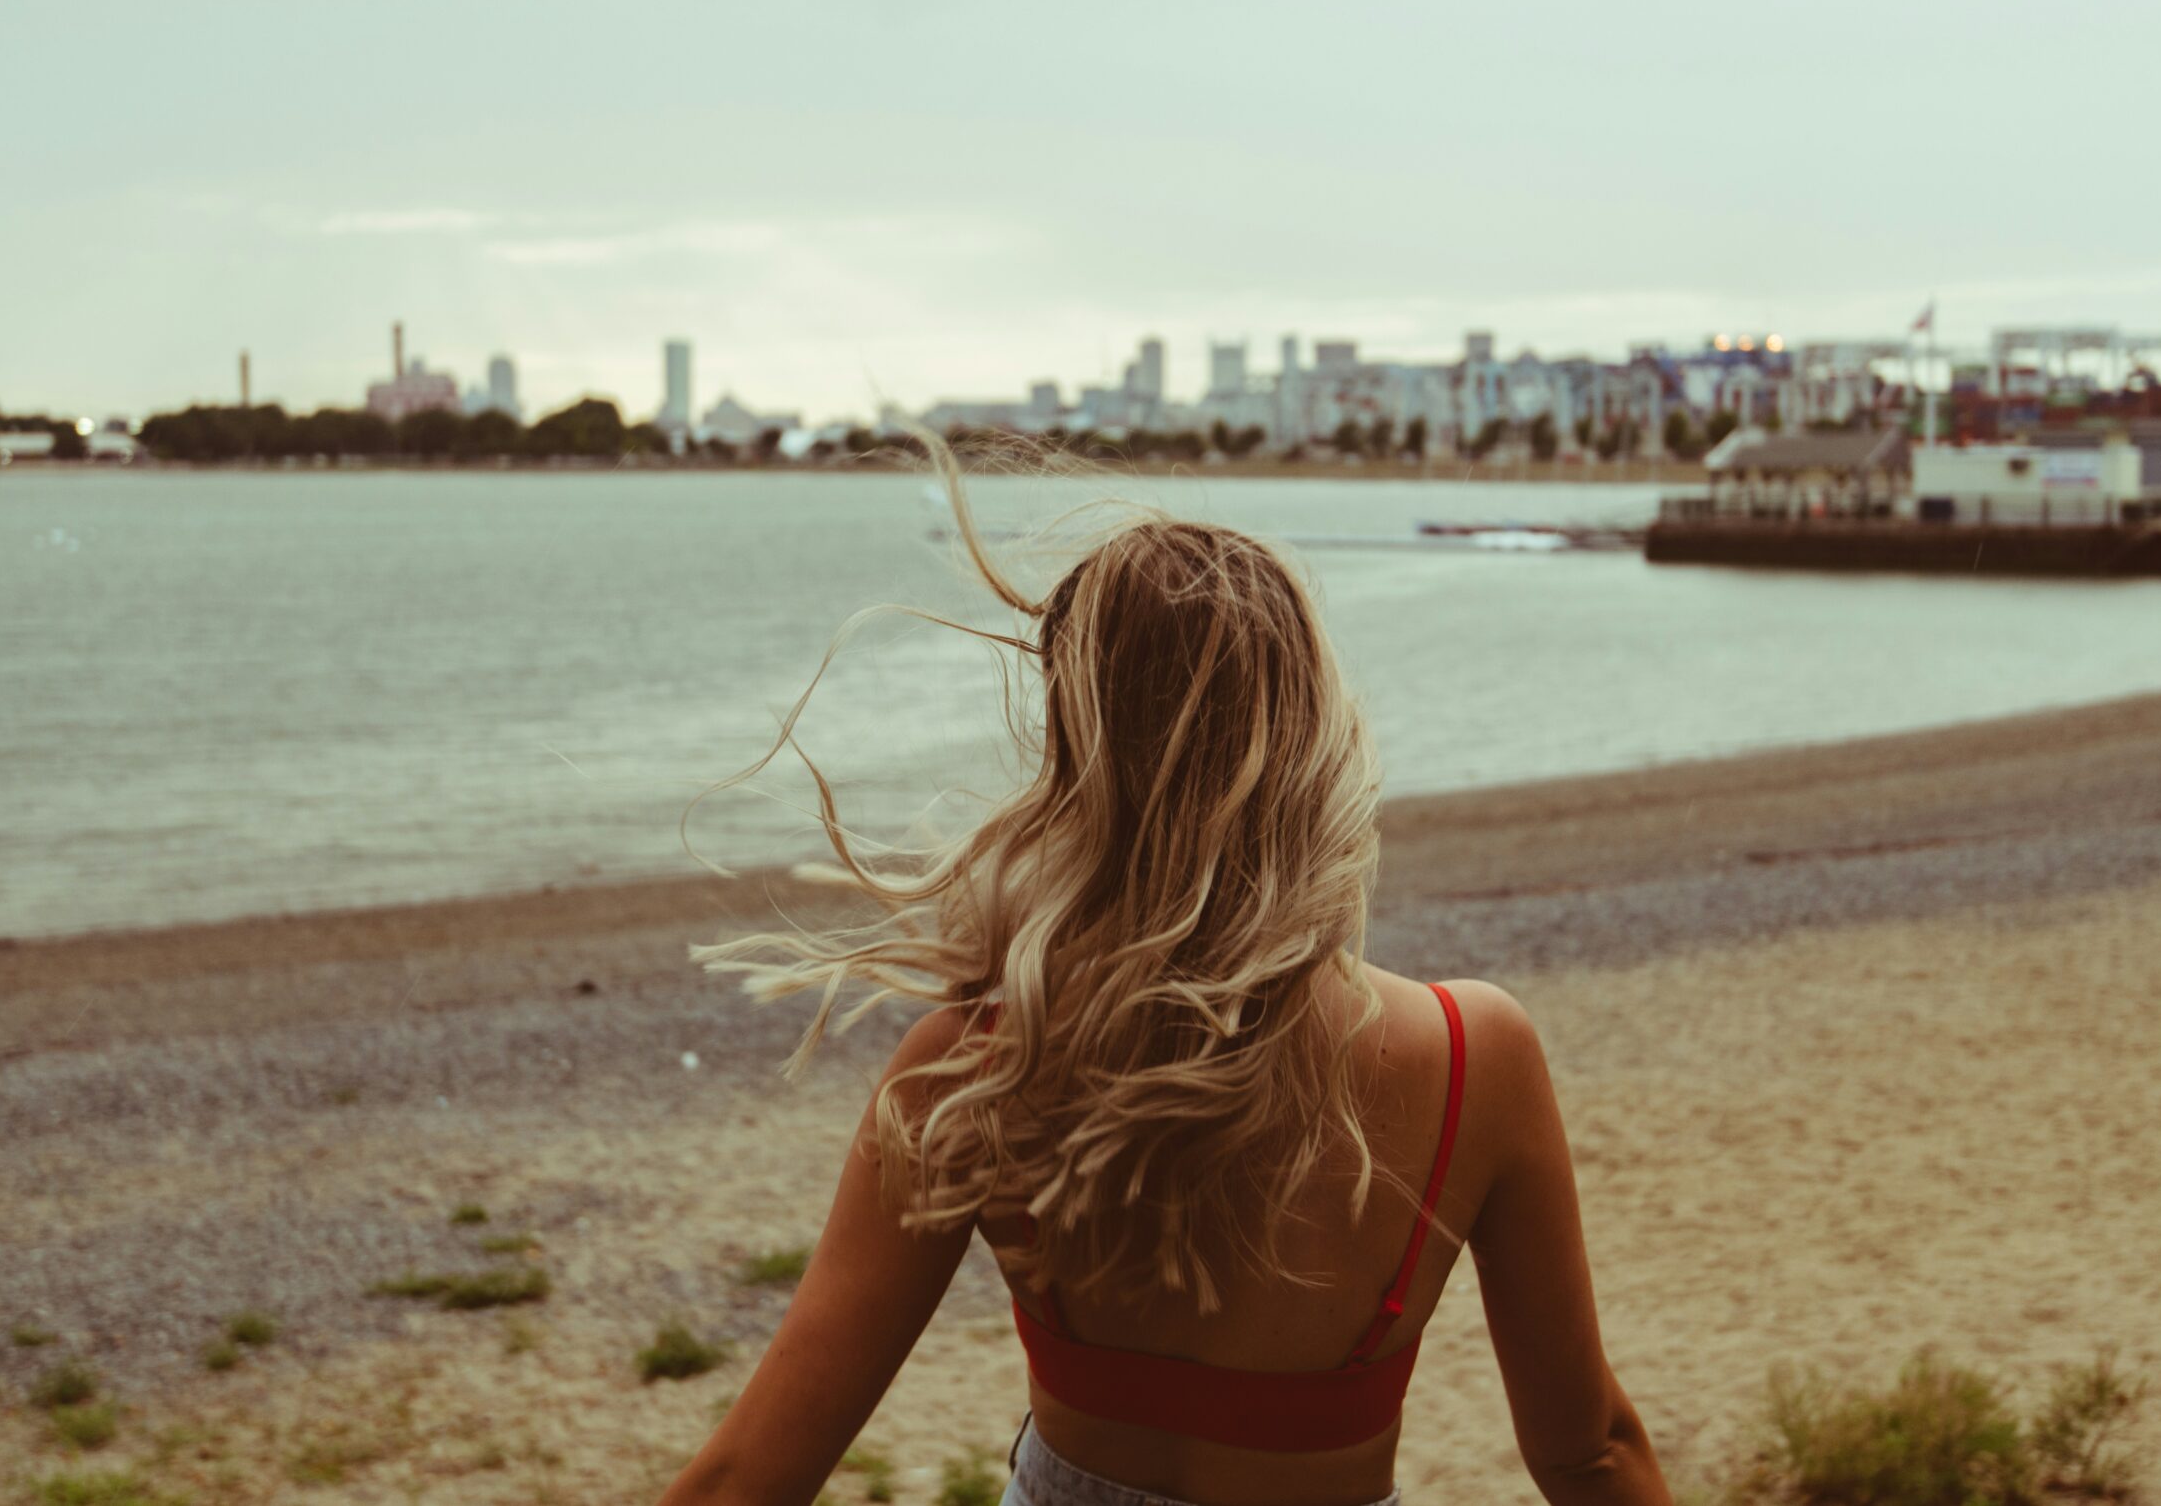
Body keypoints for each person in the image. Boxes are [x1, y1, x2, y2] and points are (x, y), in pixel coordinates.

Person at [660, 457, 1669, 1506]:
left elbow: (748, 1481)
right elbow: (1587, 1450)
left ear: (1072, 752)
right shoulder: (1472, 1058)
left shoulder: (976, 1069)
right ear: (1309, 736)